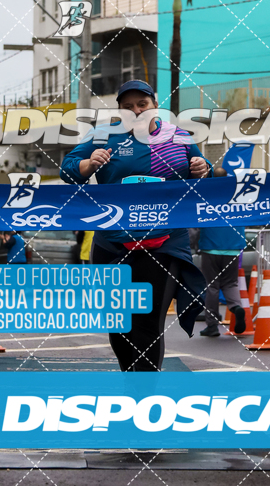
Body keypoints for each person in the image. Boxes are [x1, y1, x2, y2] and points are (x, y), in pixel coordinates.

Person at [61, 79, 211, 372]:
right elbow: (68, 169)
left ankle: (143, 399)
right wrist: (88, 164)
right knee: (118, 325)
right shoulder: (103, 136)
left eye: (142, 104)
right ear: (119, 111)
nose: (137, 111)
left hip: (163, 242)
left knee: (146, 323)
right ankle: (132, 385)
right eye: (128, 106)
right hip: (112, 244)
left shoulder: (177, 136)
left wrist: (201, 168)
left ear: (155, 105)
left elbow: (200, 171)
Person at [197, 170, 247, 337]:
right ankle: (236, 307)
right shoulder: (239, 195)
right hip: (232, 247)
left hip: (210, 246)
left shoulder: (206, 193)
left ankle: (212, 325)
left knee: (211, 286)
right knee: (230, 283)